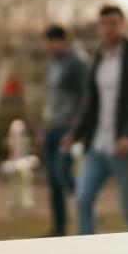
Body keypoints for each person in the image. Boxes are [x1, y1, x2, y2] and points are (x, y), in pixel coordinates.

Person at [63, 5, 128, 235]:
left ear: (123, 25)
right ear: (99, 27)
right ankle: (89, 250)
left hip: (125, 149)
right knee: (83, 199)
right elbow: (91, 102)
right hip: (98, 146)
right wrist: (74, 134)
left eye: (114, 23)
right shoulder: (100, 58)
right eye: (104, 24)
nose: (109, 28)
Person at [40, 24, 89, 236]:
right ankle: (59, 228)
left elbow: (86, 97)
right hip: (51, 127)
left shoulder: (77, 62)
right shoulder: (51, 63)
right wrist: (44, 129)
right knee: (53, 180)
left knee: (62, 174)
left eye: (52, 41)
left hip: (67, 129)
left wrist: (78, 130)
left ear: (63, 41)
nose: (49, 46)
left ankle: (86, 210)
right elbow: (51, 99)